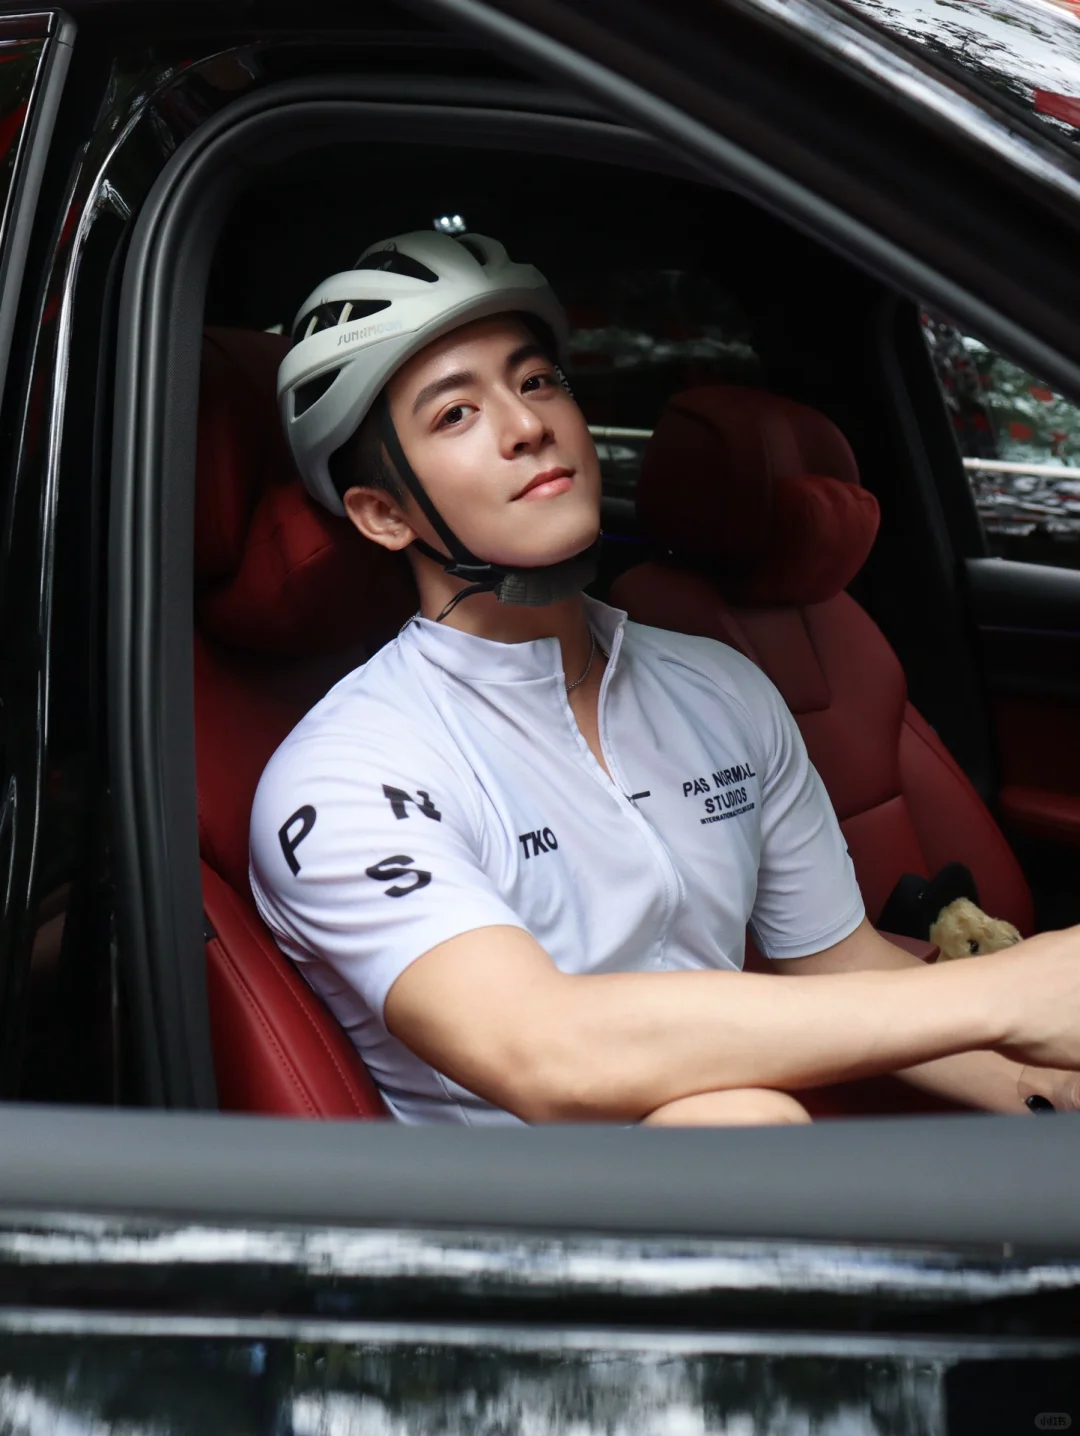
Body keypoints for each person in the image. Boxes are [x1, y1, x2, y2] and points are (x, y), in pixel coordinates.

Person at [251, 229, 1080, 1126]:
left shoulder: (720, 686)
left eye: (538, 381)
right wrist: (1001, 994)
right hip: (509, 1199)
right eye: (455, 414)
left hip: (729, 1160)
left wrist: (1042, 1086)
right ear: (383, 515)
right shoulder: (346, 774)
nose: (528, 425)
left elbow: (837, 963)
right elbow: (541, 1047)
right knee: (739, 1122)